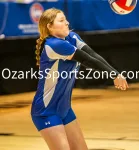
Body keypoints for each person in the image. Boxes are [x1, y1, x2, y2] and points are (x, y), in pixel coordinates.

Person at [31, 8, 129, 150]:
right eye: (61, 20)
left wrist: (115, 73)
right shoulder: (54, 45)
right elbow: (87, 60)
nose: (67, 23)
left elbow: (93, 55)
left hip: (65, 109)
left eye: (65, 19)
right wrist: (114, 75)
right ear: (49, 26)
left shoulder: (72, 37)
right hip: (46, 112)